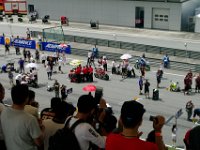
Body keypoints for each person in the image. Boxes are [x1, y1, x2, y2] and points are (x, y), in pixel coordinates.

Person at [0, 84, 43, 150]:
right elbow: (39, 143)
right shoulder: (30, 119)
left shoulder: (4, 112)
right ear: (26, 98)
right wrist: (42, 129)